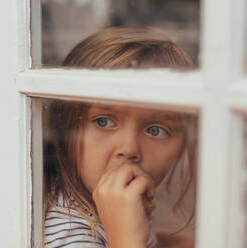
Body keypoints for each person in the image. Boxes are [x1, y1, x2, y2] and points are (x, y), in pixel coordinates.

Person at [43, 26, 197, 248]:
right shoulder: (72, 236)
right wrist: (127, 240)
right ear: (65, 128)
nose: (129, 148)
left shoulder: (120, 201)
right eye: (103, 121)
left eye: (156, 130)